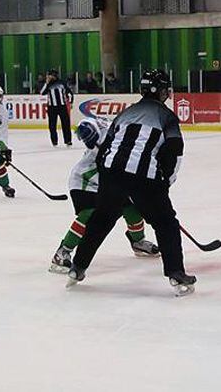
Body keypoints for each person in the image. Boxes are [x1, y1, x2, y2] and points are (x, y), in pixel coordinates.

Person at [67, 70, 194, 296]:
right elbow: (175, 148)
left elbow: (107, 145)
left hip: (111, 171)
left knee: (102, 219)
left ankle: (78, 267)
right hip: (144, 177)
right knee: (166, 223)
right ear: (162, 91)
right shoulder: (166, 116)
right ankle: (176, 273)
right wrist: (164, 181)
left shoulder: (126, 113)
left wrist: (109, 175)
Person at [48, 117, 160, 274]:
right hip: (85, 179)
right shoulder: (106, 133)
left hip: (108, 178)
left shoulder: (127, 136)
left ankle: (138, 241)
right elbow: (86, 124)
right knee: (89, 214)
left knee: (132, 207)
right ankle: (62, 252)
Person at [40, 69, 74, 147]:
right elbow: (42, 93)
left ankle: (68, 140)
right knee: (52, 125)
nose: (49, 77)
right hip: (52, 107)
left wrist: (71, 102)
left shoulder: (62, 83)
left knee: (66, 124)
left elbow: (70, 93)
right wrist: (46, 83)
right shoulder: (48, 84)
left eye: (50, 75)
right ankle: (54, 141)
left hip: (62, 106)